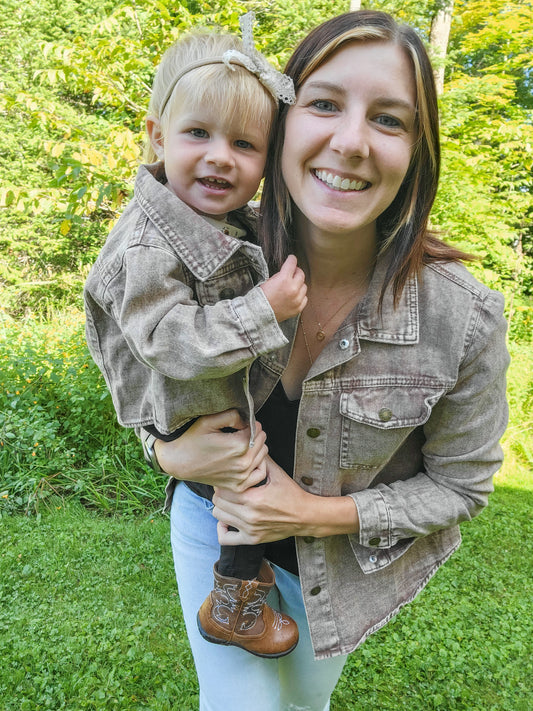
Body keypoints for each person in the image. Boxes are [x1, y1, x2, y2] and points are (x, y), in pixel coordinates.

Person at [145, 9, 510, 711]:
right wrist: (166, 453)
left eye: (389, 120)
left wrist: (314, 513)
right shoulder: (208, 256)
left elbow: (461, 486)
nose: (349, 142)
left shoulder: (462, 317)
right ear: (281, 123)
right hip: (211, 527)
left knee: (300, 705)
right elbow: (145, 364)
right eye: (322, 104)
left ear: (415, 151)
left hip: (338, 569)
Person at [84, 13, 308, 659]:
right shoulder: (150, 240)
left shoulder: (213, 215)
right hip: (180, 393)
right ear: (156, 135)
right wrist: (262, 309)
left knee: (241, 469)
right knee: (242, 471)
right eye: (198, 133)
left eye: (244, 144)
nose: (219, 156)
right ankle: (235, 601)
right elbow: (167, 339)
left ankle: (242, 584)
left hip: (200, 387)